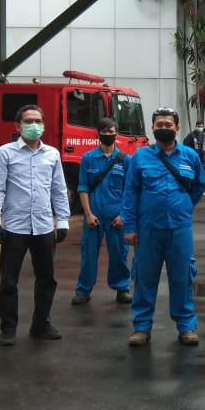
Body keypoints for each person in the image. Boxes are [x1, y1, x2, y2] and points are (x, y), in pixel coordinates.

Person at [122, 107, 205, 347]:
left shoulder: (190, 156)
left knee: (182, 277)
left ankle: (186, 327)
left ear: (177, 128)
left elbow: (199, 186)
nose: (164, 128)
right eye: (159, 125)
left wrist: (185, 206)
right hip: (148, 228)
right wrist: (130, 227)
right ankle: (141, 327)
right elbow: (131, 192)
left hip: (179, 228)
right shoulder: (140, 157)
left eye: (168, 125)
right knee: (145, 277)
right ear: (153, 128)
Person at [0, 104, 70, 346]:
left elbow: (59, 190)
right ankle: (8, 328)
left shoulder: (52, 154)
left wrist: (62, 221)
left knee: (46, 279)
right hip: (15, 227)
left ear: (43, 125)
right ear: (18, 126)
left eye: (38, 121)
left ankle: (41, 323)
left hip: (44, 226)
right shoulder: (5, 153)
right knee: (8, 281)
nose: (34, 125)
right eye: (28, 121)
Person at [72, 118, 131, 305]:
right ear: (97, 134)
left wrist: (124, 215)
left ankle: (122, 288)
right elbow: (83, 187)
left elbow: (131, 190)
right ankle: (83, 290)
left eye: (111, 132)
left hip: (117, 216)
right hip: (94, 215)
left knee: (119, 253)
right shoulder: (88, 158)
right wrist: (88, 213)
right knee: (88, 253)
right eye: (104, 132)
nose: (108, 135)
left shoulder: (125, 160)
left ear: (117, 133)